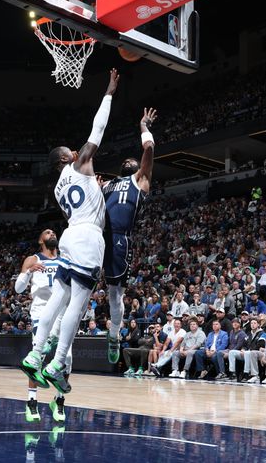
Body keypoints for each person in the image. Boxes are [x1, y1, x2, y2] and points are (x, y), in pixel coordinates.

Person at [21, 69, 121, 394]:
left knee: (59, 297)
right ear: (66, 158)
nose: (76, 153)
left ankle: (36, 354)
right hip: (89, 239)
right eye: (70, 152)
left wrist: (97, 189)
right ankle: (57, 360)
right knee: (76, 305)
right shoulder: (78, 165)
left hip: (70, 236)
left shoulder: (58, 187)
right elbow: (99, 129)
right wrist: (109, 91)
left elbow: (87, 200)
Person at [102, 108, 157, 365]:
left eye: (132, 160)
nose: (127, 161)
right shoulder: (108, 184)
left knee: (115, 293)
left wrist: (143, 127)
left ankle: (114, 335)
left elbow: (148, 151)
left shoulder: (140, 180)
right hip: (96, 237)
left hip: (119, 240)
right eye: (125, 161)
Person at [13, 229, 70, 422]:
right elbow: (18, 289)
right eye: (47, 232)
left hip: (62, 313)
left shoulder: (65, 259)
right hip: (41, 311)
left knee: (67, 358)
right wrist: (29, 271)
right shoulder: (32, 259)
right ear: (40, 240)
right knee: (38, 357)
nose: (52, 233)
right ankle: (31, 401)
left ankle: (59, 400)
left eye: (54, 232)